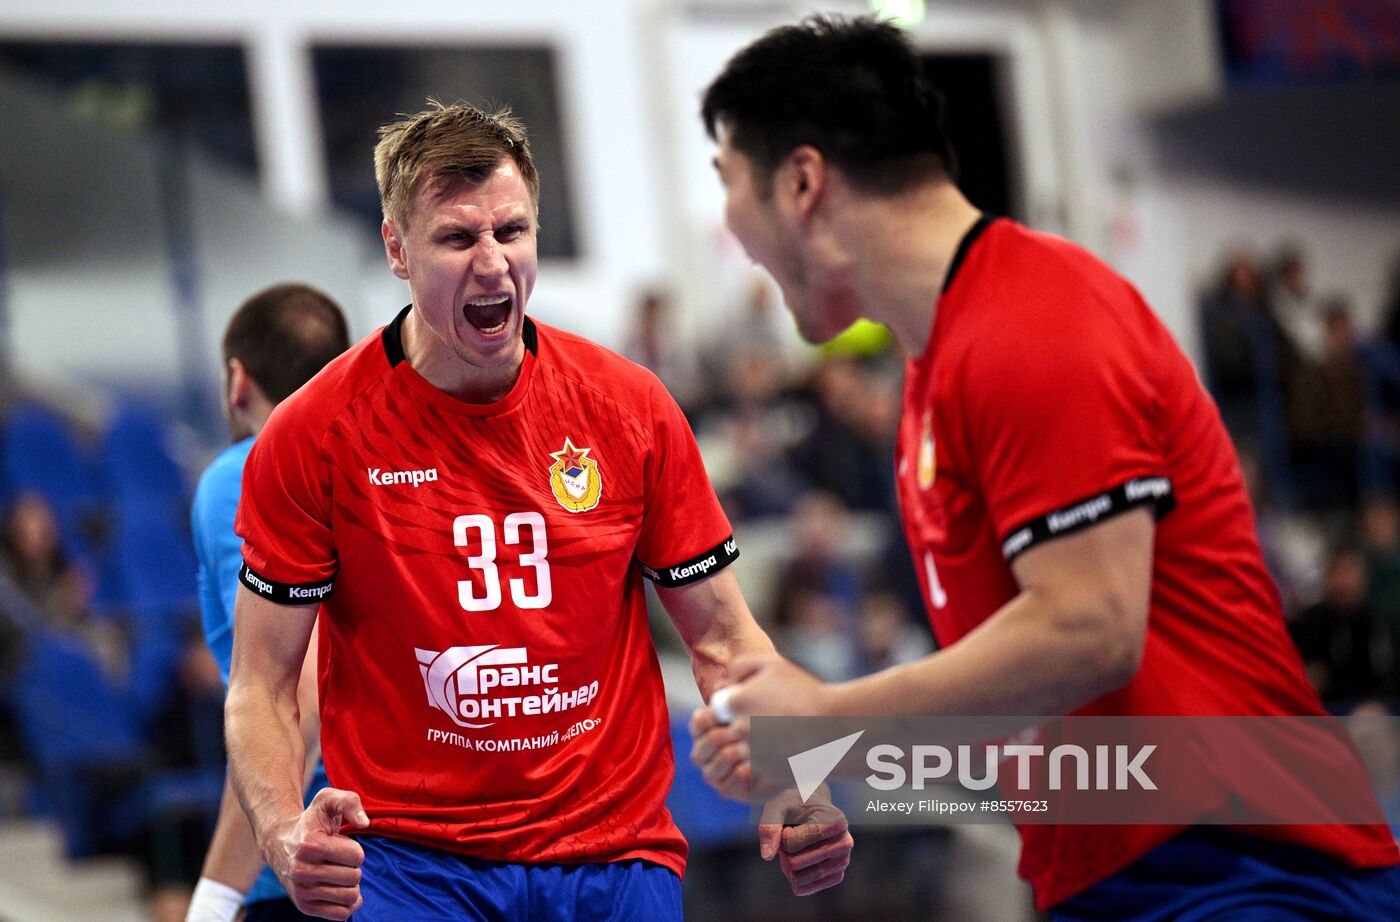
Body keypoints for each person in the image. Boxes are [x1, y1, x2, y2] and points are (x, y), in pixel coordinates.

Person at [688, 15, 1400, 920]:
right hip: (1124, 879)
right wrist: (824, 759)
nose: (730, 230)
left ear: (800, 182)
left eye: (727, 183)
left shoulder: (1035, 320)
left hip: (1251, 875)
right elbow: (1028, 702)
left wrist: (829, 718)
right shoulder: (930, 385)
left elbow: (1091, 631)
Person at [223, 102, 850, 921]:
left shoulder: (629, 409)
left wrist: (801, 776)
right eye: (457, 238)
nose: (493, 264)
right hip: (415, 864)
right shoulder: (316, 435)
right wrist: (280, 832)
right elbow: (261, 685)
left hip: (613, 856)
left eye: (512, 232)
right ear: (396, 250)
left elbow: (726, 639)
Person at [187, 283, 352, 922]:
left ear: (237, 380)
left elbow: (292, 694)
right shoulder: (372, 467)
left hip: (305, 872)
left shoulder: (243, 474)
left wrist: (217, 896)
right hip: (406, 848)